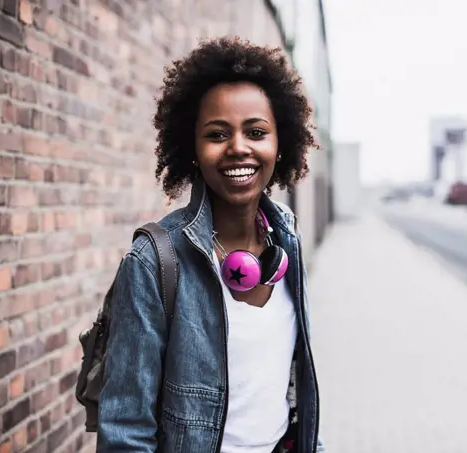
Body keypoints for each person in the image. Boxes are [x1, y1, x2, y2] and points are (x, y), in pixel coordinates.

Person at [96, 36, 325, 453]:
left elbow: (298, 395)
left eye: (256, 131)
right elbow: (126, 432)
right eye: (218, 134)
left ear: (280, 143)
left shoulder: (287, 245)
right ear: (194, 149)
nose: (239, 147)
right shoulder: (154, 262)